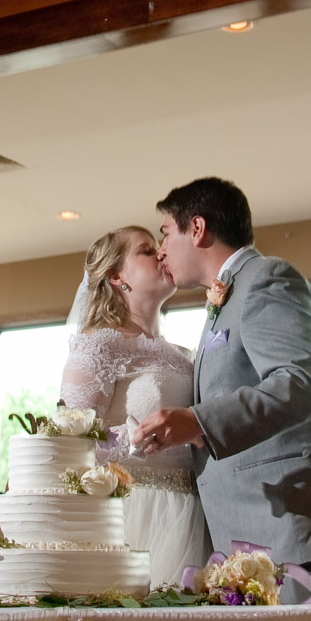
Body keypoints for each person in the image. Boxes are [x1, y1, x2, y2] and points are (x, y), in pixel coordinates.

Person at [133, 177, 311, 603]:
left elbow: (301, 384)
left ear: (197, 228)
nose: (161, 250)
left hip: (299, 532)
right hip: (258, 540)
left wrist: (196, 421)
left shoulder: (267, 278)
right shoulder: (225, 300)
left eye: (165, 233)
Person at [59, 225, 212, 586]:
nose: (161, 254)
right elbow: (68, 441)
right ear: (116, 276)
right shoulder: (99, 345)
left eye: (160, 247)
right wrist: (137, 435)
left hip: (193, 512)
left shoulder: (184, 355)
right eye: (147, 250)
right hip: (135, 514)